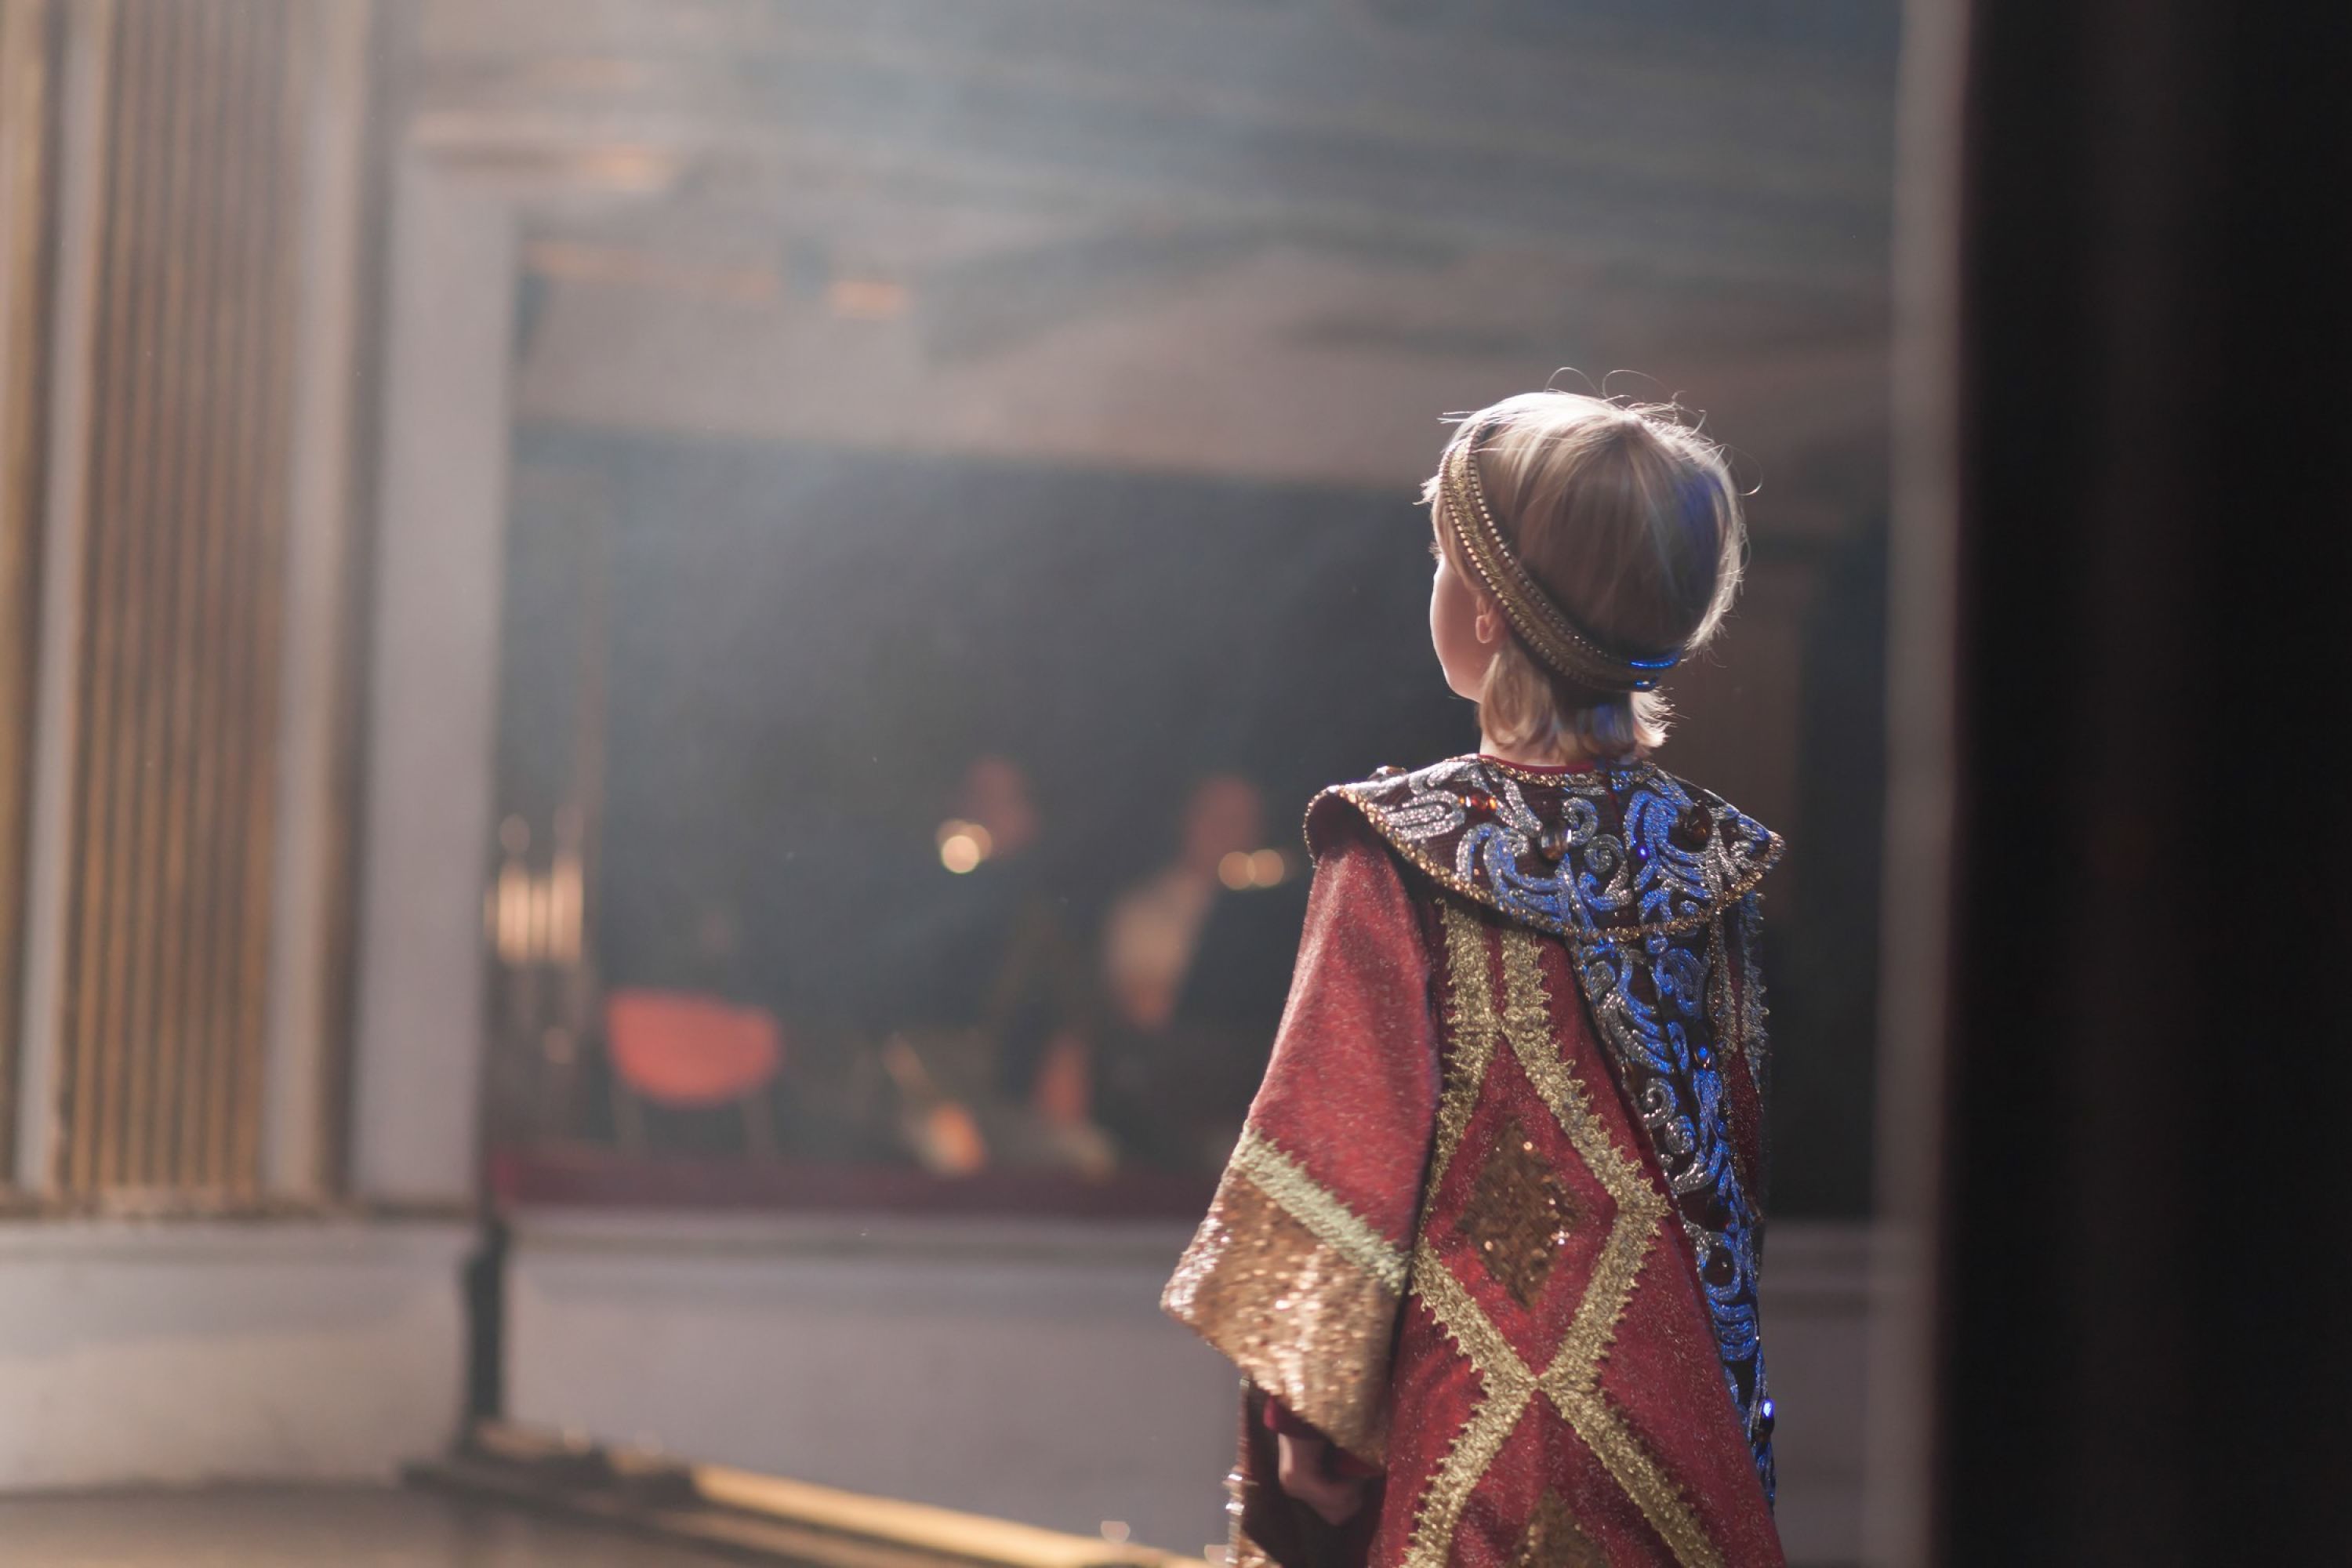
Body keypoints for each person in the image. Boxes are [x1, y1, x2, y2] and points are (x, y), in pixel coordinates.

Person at [1163, 392, 1786, 1566]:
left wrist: (1313, 1440)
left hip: (1480, 1446)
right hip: (1691, 1432)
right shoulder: (1719, 867)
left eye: (1444, 561)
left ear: (1489, 614)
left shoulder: (1397, 847)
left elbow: (1339, 1162)